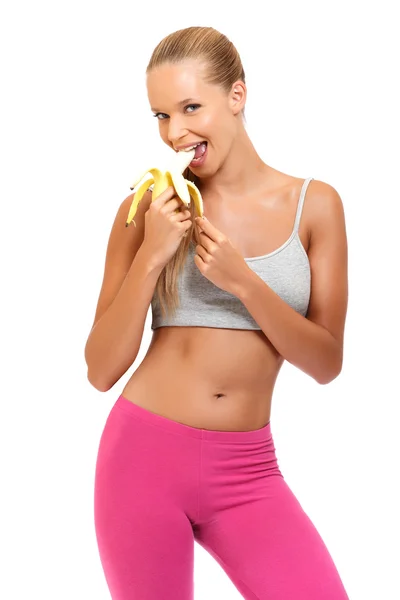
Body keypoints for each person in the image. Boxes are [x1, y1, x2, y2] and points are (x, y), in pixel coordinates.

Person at [85, 25, 349, 600]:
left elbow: (327, 361)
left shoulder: (315, 205)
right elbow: (101, 369)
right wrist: (153, 253)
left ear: (237, 96)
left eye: (189, 107)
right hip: (142, 462)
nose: (174, 132)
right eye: (160, 115)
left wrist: (247, 285)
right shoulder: (146, 209)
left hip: (249, 473)